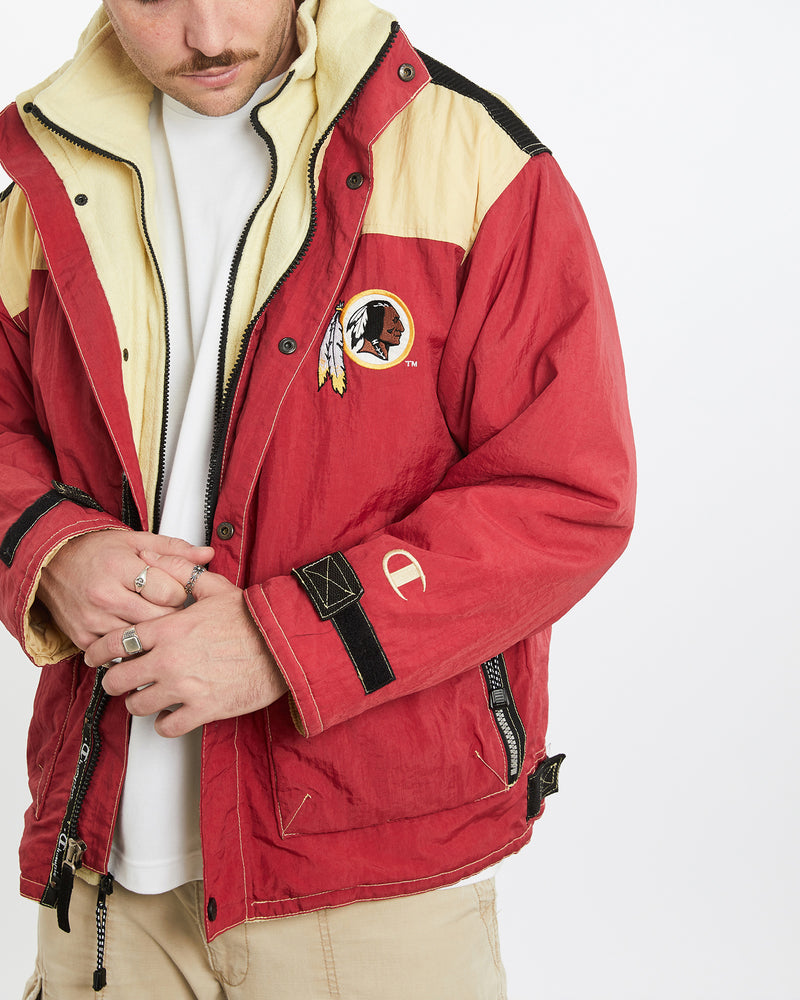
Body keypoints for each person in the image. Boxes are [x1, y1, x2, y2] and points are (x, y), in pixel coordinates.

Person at [0, 0, 635, 996]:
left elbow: (566, 491)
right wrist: (48, 550)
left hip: (369, 877)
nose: (209, 35)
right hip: (104, 871)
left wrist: (288, 639)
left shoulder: (474, 161)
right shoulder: (50, 173)